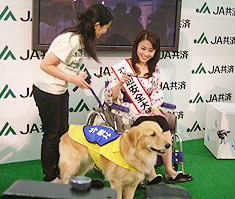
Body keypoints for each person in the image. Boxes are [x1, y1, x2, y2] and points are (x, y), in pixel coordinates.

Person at [32, 4, 113, 183]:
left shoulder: (82, 40)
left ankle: (62, 173)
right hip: (47, 91)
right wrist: (73, 78)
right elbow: (45, 65)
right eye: (106, 27)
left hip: (59, 91)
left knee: (62, 133)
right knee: (52, 135)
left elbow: (65, 65)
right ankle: (50, 177)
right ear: (97, 25)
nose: (106, 32)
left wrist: (78, 76)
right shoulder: (70, 39)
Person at [104, 30, 192, 184]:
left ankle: (169, 171)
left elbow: (157, 92)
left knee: (163, 122)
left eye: (151, 50)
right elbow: (110, 96)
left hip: (148, 110)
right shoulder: (123, 68)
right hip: (128, 112)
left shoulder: (155, 69)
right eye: (143, 48)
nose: (146, 53)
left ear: (155, 52)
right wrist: (120, 83)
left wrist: (156, 107)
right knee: (147, 125)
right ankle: (151, 174)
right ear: (136, 47)